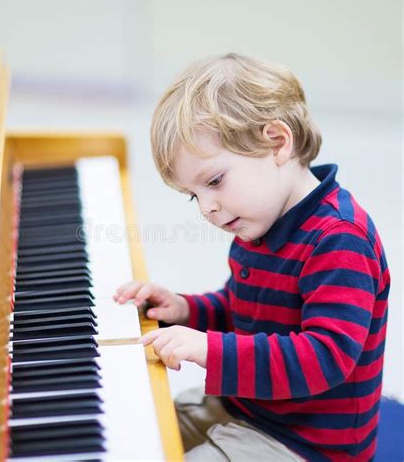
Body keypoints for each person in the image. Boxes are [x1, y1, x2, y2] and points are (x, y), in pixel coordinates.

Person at [113, 53, 390, 461]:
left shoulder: (339, 239)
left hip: (307, 443)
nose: (206, 208)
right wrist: (186, 310)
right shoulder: (258, 221)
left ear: (277, 142)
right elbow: (242, 309)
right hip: (248, 408)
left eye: (215, 181)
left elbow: (324, 358)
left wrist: (209, 348)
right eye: (195, 194)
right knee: (138, 435)